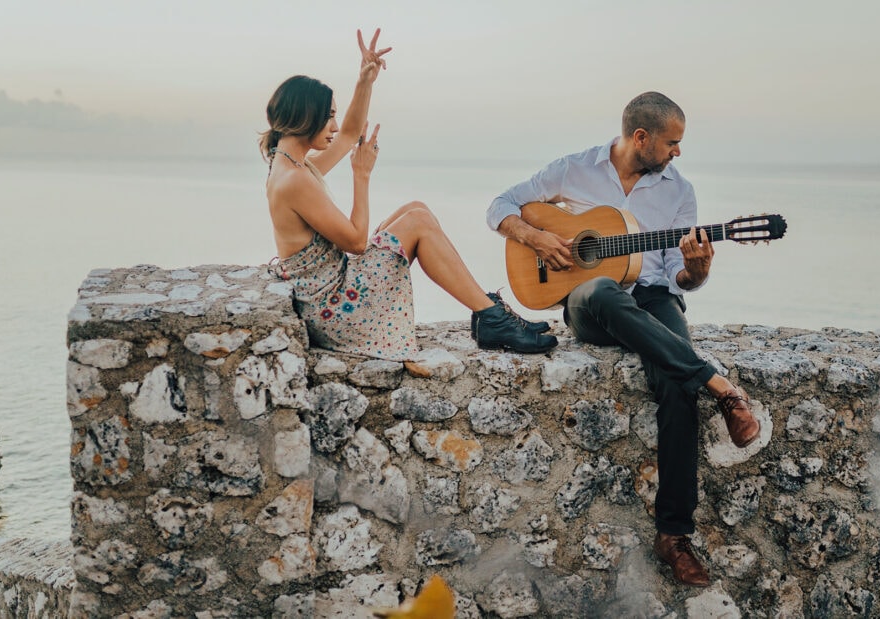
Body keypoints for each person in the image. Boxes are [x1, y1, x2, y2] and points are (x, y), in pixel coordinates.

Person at [486, 91, 761, 586]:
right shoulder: (575, 168)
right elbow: (501, 205)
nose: (678, 152)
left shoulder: (680, 191)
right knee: (603, 289)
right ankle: (720, 386)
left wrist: (695, 271)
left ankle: (674, 536)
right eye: (672, 142)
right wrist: (538, 238)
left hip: (654, 298)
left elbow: (681, 277)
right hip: (590, 302)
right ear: (641, 138)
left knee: (675, 385)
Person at [261, 29, 556, 360]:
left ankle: (487, 310)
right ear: (306, 117)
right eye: (328, 115)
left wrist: (365, 80)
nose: (333, 125)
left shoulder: (289, 163)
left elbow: (348, 135)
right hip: (337, 311)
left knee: (417, 208)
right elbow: (357, 243)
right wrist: (362, 175)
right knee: (417, 222)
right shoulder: (294, 180)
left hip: (331, 295)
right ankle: (492, 318)